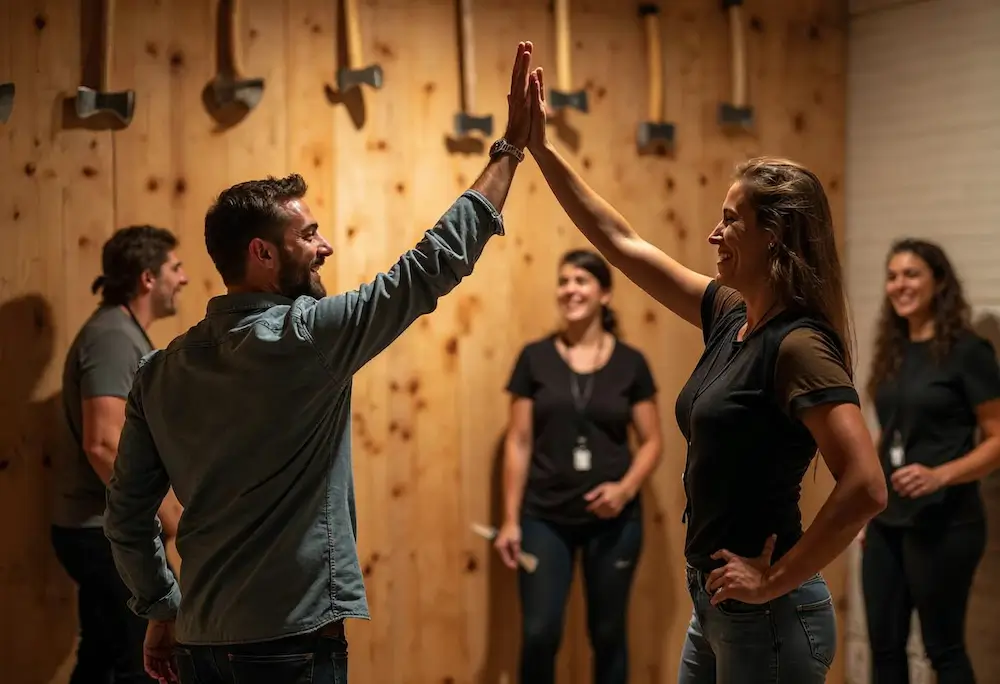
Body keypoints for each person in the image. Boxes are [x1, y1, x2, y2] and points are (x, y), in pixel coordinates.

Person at [101, 41, 538, 684]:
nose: (325, 246)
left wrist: (161, 608)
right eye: (308, 235)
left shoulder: (158, 371)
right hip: (292, 647)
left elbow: (126, 517)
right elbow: (431, 266)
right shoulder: (309, 340)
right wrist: (509, 152)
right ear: (263, 254)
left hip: (199, 644)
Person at [521, 69, 887, 683]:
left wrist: (775, 578)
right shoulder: (729, 313)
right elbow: (622, 242)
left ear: (774, 237)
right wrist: (541, 150)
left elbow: (867, 486)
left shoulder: (798, 346)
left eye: (730, 221)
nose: (714, 234)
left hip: (768, 614)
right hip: (717, 599)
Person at [495, 248, 663, 684]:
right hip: (544, 516)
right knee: (539, 633)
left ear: (604, 294)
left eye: (582, 281)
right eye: (564, 281)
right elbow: (518, 441)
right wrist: (510, 521)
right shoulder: (534, 358)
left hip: (614, 521)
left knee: (608, 635)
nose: (571, 290)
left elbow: (652, 442)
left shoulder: (632, 363)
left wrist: (624, 490)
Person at [50, 224, 188, 684]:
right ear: (148, 278)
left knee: (105, 657)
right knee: (143, 665)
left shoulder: (121, 332)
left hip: (95, 530)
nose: (183, 278)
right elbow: (103, 443)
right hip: (102, 533)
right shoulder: (112, 337)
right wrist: (167, 516)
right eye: (175, 267)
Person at [860, 238, 1000, 684]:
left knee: (943, 649)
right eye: (893, 275)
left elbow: (998, 438)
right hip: (887, 524)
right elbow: (889, 433)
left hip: (945, 522)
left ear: (939, 282)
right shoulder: (894, 352)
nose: (900, 284)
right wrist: (866, 509)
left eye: (912, 274)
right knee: (885, 649)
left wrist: (941, 475)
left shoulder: (968, 351)